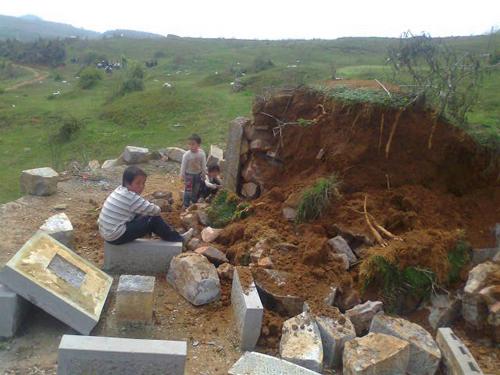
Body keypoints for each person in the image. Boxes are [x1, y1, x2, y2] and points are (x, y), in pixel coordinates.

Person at [98, 166, 193, 245]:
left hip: (106, 232)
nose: (141, 186)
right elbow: (155, 211)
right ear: (127, 183)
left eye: (143, 183)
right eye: (138, 183)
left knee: (140, 214)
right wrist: (157, 206)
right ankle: (179, 239)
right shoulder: (131, 197)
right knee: (153, 219)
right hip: (116, 236)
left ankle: (153, 233)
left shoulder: (119, 190)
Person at [180, 134, 207, 208]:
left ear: (198, 145)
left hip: (198, 174)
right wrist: (182, 176)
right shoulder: (187, 155)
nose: (191, 146)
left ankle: (194, 202)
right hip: (189, 175)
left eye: (193, 144)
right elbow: (183, 166)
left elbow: (203, 165)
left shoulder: (201, 154)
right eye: (189, 144)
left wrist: (204, 175)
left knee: (196, 189)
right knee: (188, 190)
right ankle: (186, 204)